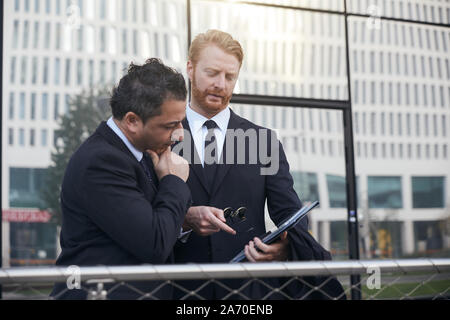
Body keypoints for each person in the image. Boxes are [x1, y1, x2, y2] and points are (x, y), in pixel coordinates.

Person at [172, 30, 345, 299]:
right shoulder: (163, 134)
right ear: (190, 69)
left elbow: (289, 211)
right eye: (212, 73)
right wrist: (183, 220)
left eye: (230, 77)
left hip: (249, 291)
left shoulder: (263, 141)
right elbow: (142, 211)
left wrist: (286, 247)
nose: (221, 84)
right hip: (179, 289)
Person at [50, 58, 192, 300]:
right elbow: (154, 244)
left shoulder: (143, 151)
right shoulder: (101, 162)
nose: (179, 134)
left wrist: (186, 219)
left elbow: (143, 221)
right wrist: (174, 182)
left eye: (181, 121)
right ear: (132, 121)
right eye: (170, 125)